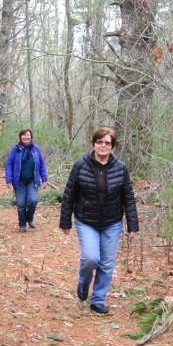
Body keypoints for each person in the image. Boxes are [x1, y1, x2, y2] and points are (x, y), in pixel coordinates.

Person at [59, 127, 138, 314]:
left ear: (112, 146)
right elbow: (69, 193)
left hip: (112, 222)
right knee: (90, 258)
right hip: (86, 220)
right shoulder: (81, 165)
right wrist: (65, 221)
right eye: (100, 142)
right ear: (94, 143)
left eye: (107, 143)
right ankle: (83, 282)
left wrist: (132, 224)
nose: (103, 146)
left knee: (107, 263)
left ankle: (98, 299)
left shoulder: (121, 168)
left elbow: (128, 196)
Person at [5, 128, 48, 232]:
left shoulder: (36, 149)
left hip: (33, 180)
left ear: (31, 137)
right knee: (21, 204)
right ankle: (22, 225)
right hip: (19, 181)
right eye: (23, 135)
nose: (26, 137)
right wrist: (9, 179)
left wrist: (44, 178)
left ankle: (30, 219)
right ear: (20, 137)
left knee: (33, 201)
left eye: (28, 135)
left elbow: (42, 164)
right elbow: (9, 164)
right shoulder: (15, 149)